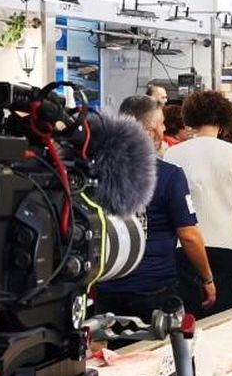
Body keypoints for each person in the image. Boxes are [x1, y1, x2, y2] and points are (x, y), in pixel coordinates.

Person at [92, 96, 216, 321]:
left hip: (108, 285)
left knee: (116, 354)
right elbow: (188, 236)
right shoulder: (169, 175)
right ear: (148, 132)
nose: (165, 128)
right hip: (153, 287)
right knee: (158, 353)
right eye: (160, 124)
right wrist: (207, 277)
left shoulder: (96, 172)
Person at [163, 91, 232, 316]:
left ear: (188, 118)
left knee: (191, 318)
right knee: (225, 318)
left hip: (186, 247)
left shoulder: (172, 153)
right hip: (230, 247)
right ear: (222, 119)